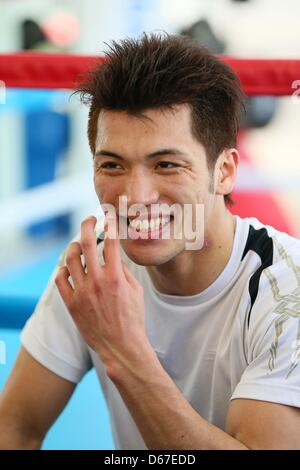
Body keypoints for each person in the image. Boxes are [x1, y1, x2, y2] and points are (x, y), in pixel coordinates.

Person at [1, 33, 300, 450]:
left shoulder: (287, 291)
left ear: (225, 171)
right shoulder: (98, 263)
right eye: (112, 164)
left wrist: (122, 348)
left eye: (166, 164)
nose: (135, 197)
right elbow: (14, 426)